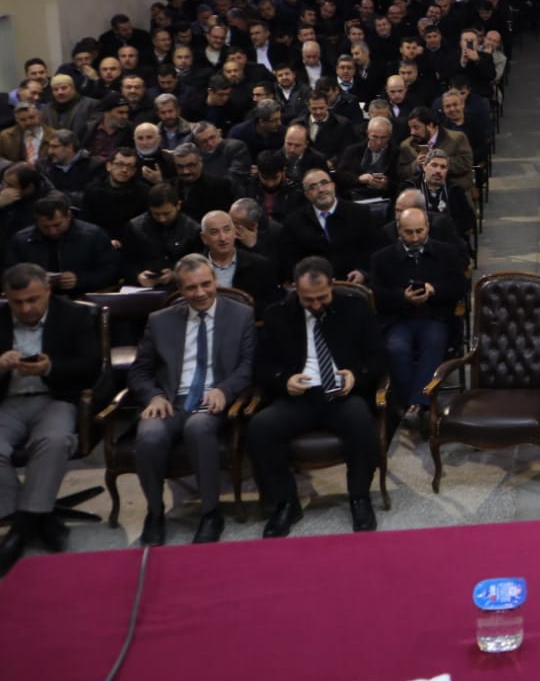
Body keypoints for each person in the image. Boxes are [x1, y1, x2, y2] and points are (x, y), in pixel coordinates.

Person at [0, 264, 102, 574]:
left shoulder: (75, 315)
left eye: (33, 300)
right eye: (17, 302)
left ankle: (19, 533)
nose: (26, 308)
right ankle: (38, 519)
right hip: (7, 403)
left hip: (55, 399)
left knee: (53, 440)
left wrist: (50, 368)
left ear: (48, 291)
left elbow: (91, 367)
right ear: (6, 297)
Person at [246, 256, 387, 536]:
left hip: (341, 395)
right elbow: (260, 366)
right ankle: (286, 502)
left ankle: (359, 498)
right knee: (260, 427)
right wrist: (284, 380)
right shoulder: (277, 314)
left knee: (361, 422)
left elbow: (379, 357)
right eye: (308, 299)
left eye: (322, 297)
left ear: (332, 285)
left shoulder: (355, 308)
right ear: (295, 290)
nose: (316, 305)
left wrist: (356, 375)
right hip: (299, 397)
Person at [127, 254, 256, 546]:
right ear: (180, 289)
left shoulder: (241, 315)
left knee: (198, 427)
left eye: (205, 284)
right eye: (191, 287)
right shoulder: (159, 321)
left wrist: (225, 390)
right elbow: (140, 370)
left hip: (213, 398)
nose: (200, 293)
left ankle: (211, 513)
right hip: (171, 400)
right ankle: (155, 513)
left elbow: (248, 367)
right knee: (149, 435)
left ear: (215, 281)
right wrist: (154, 396)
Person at [369, 207, 468, 427]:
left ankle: (414, 405)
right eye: (408, 232)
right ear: (398, 230)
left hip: (435, 317)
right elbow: (377, 294)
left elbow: (459, 287)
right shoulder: (382, 258)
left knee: (433, 342)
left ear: (428, 228)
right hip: (398, 319)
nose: (414, 238)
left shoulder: (447, 252)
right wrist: (402, 297)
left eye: (419, 231)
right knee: (396, 348)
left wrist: (435, 291)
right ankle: (417, 405)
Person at [5, 195, 120, 295]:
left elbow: (111, 271)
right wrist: (34, 280)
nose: (52, 231)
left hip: (82, 296)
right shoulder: (22, 240)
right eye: (45, 226)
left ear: (68, 216)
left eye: (57, 225)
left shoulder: (93, 235)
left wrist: (80, 280)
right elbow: (9, 273)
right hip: (36, 296)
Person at [282, 167, 381, 283]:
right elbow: (291, 262)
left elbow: (376, 250)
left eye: (324, 183)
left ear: (333, 185)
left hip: (355, 284)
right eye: (313, 187)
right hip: (314, 285)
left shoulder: (360, 213)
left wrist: (363, 272)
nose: (321, 190)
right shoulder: (294, 222)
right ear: (307, 195)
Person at [199, 209, 280, 310]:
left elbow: (271, 306)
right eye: (214, 232)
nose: (222, 238)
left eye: (227, 230)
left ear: (234, 232)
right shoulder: (193, 269)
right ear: (204, 238)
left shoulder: (260, 266)